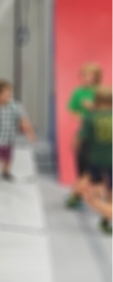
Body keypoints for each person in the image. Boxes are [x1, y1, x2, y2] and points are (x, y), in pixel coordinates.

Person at [0, 79, 36, 188]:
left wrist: (30, 133)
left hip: (9, 138)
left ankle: (5, 172)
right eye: (5, 95)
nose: (8, 97)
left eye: (9, 94)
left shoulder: (16, 106)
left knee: (8, 158)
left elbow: (23, 120)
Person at [65, 63, 104, 208]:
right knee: (83, 167)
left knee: (98, 172)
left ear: (96, 77)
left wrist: (92, 108)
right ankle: (79, 195)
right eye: (84, 75)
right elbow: (72, 110)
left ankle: (96, 199)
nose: (87, 78)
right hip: (85, 134)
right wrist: (82, 118)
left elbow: (106, 111)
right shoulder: (78, 92)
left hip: (100, 136)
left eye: (90, 76)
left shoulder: (102, 92)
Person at [76, 86, 112, 233]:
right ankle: (107, 216)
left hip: (96, 158)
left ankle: (100, 208)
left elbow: (84, 138)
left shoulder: (90, 117)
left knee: (97, 184)